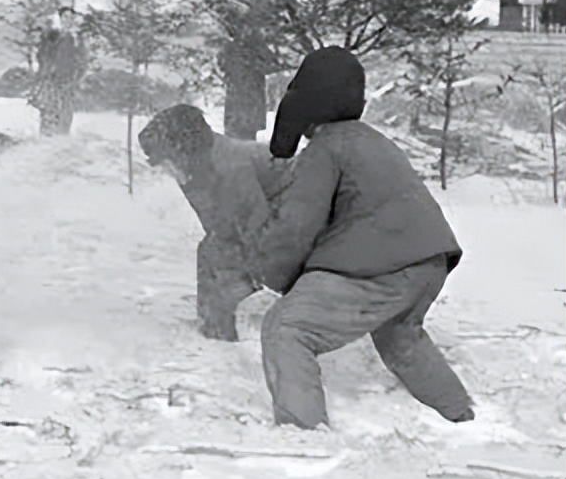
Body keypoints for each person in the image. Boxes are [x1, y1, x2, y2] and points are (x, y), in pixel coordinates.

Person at [254, 46, 474, 429]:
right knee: (400, 337)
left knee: (287, 327)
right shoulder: (371, 140)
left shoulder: (326, 148)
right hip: (428, 261)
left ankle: (302, 437)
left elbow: (296, 225)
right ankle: (461, 416)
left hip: (381, 263)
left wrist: (270, 273)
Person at [138, 104, 289, 342]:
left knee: (223, 260)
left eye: (165, 160)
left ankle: (222, 336)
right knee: (212, 252)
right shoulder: (196, 169)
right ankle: (213, 332)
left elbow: (259, 234)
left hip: (305, 218)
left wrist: (254, 283)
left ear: (184, 149)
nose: (164, 169)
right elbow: (218, 228)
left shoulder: (231, 167)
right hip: (269, 223)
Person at [30, 6, 89, 137]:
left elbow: (82, 62)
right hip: (51, 81)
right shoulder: (51, 36)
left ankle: (61, 143)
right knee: (48, 113)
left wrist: (76, 79)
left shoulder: (76, 39)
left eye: (71, 18)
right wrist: (45, 74)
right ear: (59, 18)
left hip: (68, 82)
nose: (68, 20)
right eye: (65, 17)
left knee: (65, 114)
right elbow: (42, 56)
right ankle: (44, 141)